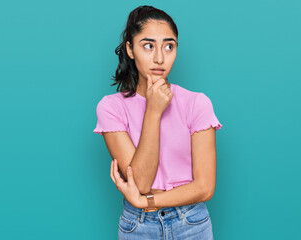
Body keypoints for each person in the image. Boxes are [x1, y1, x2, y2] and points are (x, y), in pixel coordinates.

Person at [93, 5, 223, 239]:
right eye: (148, 46)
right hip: (139, 226)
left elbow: (205, 187)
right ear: (130, 50)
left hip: (191, 223)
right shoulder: (111, 108)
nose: (160, 58)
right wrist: (153, 111)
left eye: (169, 46)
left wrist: (147, 201)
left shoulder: (197, 103)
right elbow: (141, 183)